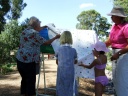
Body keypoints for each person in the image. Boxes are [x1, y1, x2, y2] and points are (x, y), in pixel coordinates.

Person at [16, 16, 60, 96]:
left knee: (24, 79)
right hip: (28, 61)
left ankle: (23, 94)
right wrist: (56, 37)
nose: (40, 24)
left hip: (20, 59)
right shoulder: (35, 33)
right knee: (30, 81)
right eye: (40, 22)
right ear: (36, 24)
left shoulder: (25, 31)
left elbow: (36, 28)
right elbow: (46, 42)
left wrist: (45, 26)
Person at [105, 6, 128, 96]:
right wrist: (99, 47)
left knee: (122, 79)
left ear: (119, 16)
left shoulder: (126, 27)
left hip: (124, 54)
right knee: (116, 79)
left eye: (113, 15)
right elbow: (110, 41)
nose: (111, 17)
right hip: (116, 54)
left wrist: (118, 53)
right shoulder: (114, 26)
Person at [55, 31, 78, 96]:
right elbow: (75, 61)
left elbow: (57, 62)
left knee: (61, 85)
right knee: (70, 85)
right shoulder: (73, 50)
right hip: (70, 72)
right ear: (70, 38)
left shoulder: (58, 49)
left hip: (61, 71)